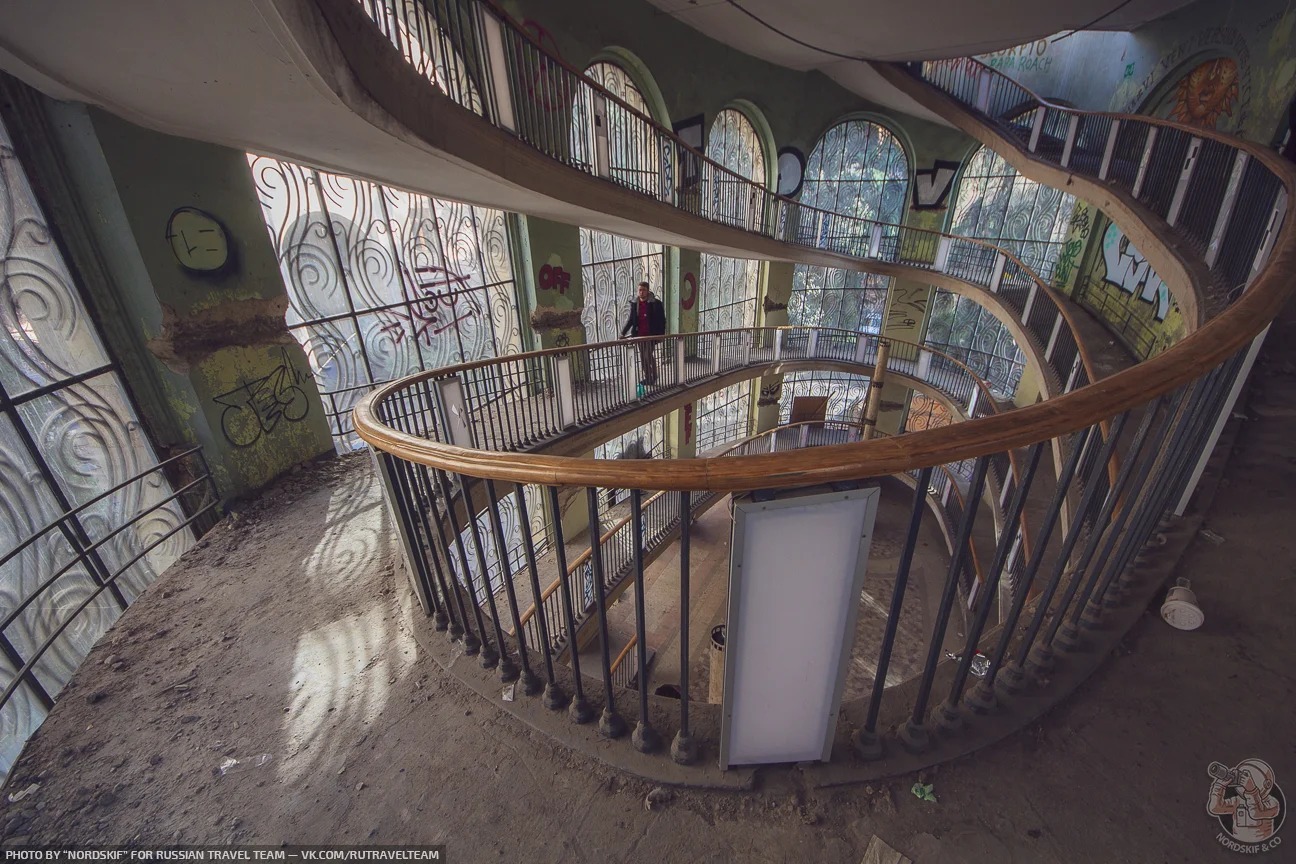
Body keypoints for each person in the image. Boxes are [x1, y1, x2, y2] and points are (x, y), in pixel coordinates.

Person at [620, 281, 666, 386]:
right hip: (639, 335)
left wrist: (661, 334)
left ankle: (653, 376)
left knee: (647, 356)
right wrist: (623, 332)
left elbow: (662, 320)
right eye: (640, 290)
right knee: (643, 357)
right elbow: (631, 320)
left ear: (648, 291)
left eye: (643, 290)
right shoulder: (635, 304)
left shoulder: (655, 303)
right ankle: (648, 378)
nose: (641, 292)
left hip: (651, 335)